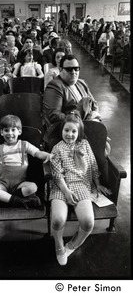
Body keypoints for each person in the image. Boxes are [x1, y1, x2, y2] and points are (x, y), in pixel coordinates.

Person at [49, 112, 111, 265]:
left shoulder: (84, 145)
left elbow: (92, 165)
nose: (69, 134)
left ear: (79, 133)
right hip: (61, 185)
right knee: (57, 220)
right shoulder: (57, 148)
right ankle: (59, 246)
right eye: (66, 130)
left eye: (73, 131)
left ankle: (73, 244)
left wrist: (98, 184)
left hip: (80, 184)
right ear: (62, 130)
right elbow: (57, 174)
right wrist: (66, 192)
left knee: (88, 222)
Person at [0, 115, 52, 209]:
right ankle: (18, 201)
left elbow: (38, 153)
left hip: (19, 185)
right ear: (1, 132)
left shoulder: (24, 145)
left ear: (19, 131)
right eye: (6, 130)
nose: (10, 133)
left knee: (33, 187)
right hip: (2, 185)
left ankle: (4, 200)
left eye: (13, 130)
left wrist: (48, 155)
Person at [43, 54, 98, 128]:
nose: (73, 72)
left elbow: (94, 103)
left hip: (89, 124)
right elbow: (54, 115)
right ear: (60, 69)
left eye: (76, 69)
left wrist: (95, 114)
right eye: (69, 69)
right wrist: (80, 120)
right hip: (69, 130)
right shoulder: (55, 86)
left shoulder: (82, 83)